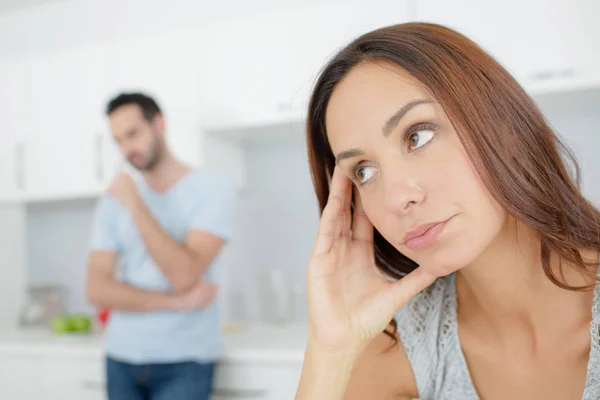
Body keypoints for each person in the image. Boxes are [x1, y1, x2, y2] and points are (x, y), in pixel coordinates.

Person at [295, 22, 600, 400]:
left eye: (417, 136)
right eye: (364, 171)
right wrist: (330, 354)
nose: (396, 197)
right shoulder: (397, 346)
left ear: (501, 123)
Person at [86, 92, 236, 400]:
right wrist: (177, 303)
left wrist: (135, 204)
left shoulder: (213, 188)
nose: (127, 149)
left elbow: (183, 275)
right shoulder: (112, 201)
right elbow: (97, 289)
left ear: (158, 124)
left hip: (184, 360)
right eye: (119, 140)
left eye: (133, 134)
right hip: (120, 357)